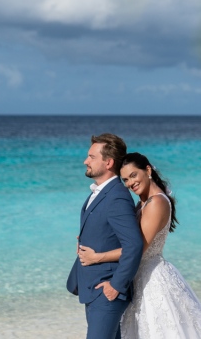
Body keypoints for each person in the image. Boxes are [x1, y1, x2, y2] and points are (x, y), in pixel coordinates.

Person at [77, 153, 201, 339]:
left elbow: (137, 249)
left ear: (147, 170)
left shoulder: (157, 202)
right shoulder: (142, 202)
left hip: (152, 279)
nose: (130, 183)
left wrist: (97, 257)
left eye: (133, 175)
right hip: (137, 278)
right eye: (125, 180)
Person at [67, 134, 144, 339]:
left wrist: (116, 285)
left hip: (106, 289)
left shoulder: (116, 196)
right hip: (93, 287)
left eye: (91, 157)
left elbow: (134, 245)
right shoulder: (102, 192)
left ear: (108, 162)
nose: (86, 161)